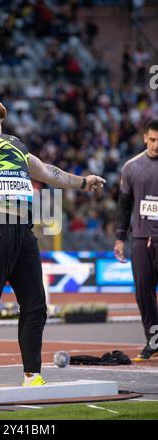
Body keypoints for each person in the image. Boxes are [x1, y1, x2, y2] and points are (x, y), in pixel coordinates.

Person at [0, 71, 105, 397]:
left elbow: (49, 173)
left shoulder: (17, 145)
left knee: (36, 304)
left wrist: (84, 182)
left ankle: (32, 377)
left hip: (22, 230)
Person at [114, 119, 158, 361]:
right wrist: (120, 238)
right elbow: (124, 205)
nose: (156, 145)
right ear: (144, 138)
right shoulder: (131, 167)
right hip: (141, 239)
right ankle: (153, 340)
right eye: (152, 140)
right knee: (143, 292)